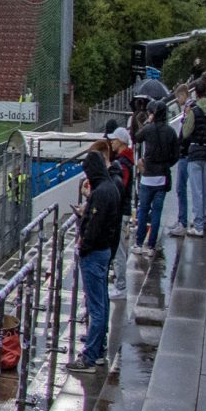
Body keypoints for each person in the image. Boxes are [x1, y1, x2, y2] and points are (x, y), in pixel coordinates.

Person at [74, 148, 126, 371]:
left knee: (96, 305)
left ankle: (91, 356)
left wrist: (83, 246)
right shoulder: (111, 188)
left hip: (94, 254)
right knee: (101, 302)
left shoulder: (102, 192)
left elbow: (94, 228)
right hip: (104, 251)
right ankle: (99, 347)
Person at [133, 99, 178, 252]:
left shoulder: (148, 129)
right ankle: (151, 245)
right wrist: (167, 165)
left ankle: (138, 243)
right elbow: (176, 155)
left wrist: (147, 122)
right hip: (162, 177)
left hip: (148, 176)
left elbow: (136, 137)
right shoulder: (171, 132)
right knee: (157, 212)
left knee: (143, 210)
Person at [174, 86, 206, 237]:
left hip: (195, 154)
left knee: (197, 191)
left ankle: (198, 224)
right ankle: (205, 221)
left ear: (196, 95)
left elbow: (186, 132)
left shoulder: (194, 111)